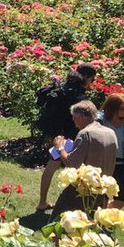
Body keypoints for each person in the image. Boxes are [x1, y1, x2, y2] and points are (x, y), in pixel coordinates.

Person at [36, 62, 98, 210]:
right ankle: (78, 204)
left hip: (59, 135)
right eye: (92, 79)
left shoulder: (62, 87)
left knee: (51, 167)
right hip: (74, 136)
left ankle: (42, 202)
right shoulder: (79, 95)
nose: (91, 83)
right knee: (79, 169)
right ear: (86, 77)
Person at [51, 100, 119, 215]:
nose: (74, 122)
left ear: (81, 117)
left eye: (74, 118)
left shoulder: (85, 133)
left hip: (82, 190)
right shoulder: (111, 133)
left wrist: (60, 148)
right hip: (102, 189)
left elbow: (72, 163)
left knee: (58, 220)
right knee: (92, 221)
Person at [99, 94, 124, 208]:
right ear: (112, 108)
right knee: (102, 196)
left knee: (121, 198)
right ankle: (102, 216)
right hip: (104, 163)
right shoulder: (100, 121)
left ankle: (107, 214)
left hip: (121, 163)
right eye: (122, 109)